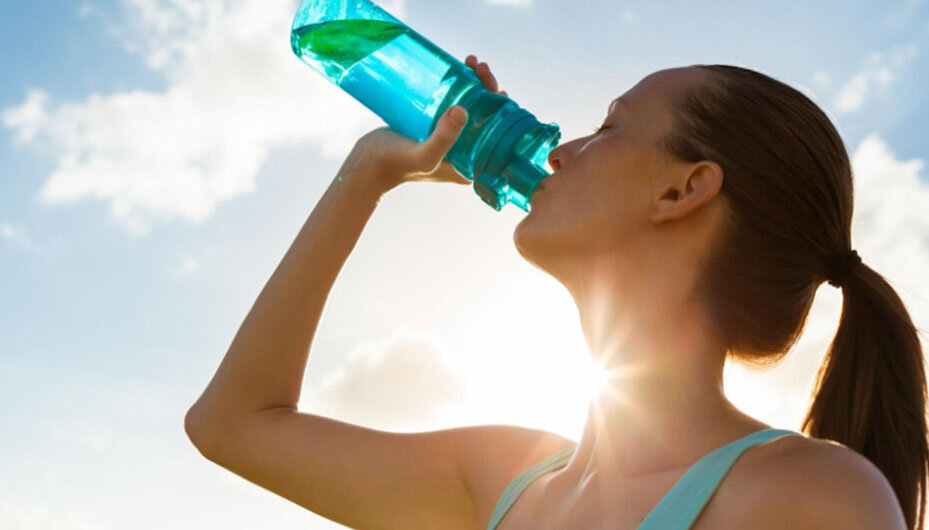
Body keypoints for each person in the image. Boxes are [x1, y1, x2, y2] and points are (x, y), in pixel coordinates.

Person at [184, 54, 927, 529]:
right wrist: (369, 174)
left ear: (681, 189)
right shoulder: (503, 480)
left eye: (608, 127)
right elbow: (230, 426)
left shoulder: (810, 498)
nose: (562, 149)